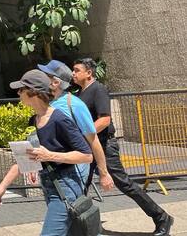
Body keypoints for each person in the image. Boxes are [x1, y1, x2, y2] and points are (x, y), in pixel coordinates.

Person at [73, 58, 174, 236]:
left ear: (89, 73)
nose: (73, 73)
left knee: (124, 184)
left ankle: (162, 217)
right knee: (80, 185)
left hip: (105, 145)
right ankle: (77, 227)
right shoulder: (79, 93)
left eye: (76, 70)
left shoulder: (98, 89)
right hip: (89, 147)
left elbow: (105, 120)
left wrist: (82, 135)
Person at [0, 70, 93, 235]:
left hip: (66, 186)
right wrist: (2, 186)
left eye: (21, 89)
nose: (18, 93)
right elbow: (25, 157)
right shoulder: (33, 120)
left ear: (34, 92)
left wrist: (50, 155)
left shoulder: (59, 119)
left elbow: (87, 155)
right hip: (49, 186)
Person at [38, 59, 114, 192]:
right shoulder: (48, 104)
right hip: (54, 172)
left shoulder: (74, 103)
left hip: (72, 172)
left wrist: (103, 173)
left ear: (56, 82)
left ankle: (152, 207)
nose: (41, 79)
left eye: (46, 76)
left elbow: (94, 137)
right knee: (78, 201)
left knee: (124, 183)